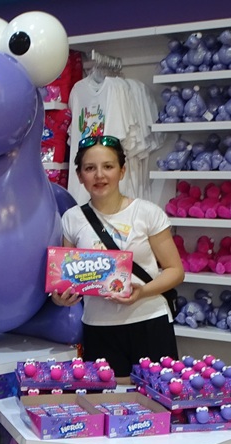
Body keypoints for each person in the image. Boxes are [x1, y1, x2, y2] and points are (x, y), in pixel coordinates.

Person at [51, 135, 183, 377]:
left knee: (156, 394)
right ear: (79, 176)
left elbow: (175, 271)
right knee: (107, 397)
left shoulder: (147, 213)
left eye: (108, 166)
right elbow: (67, 276)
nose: (99, 175)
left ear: (122, 171)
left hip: (149, 321)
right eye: (90, 168)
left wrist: (142, 291)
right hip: (98, 327)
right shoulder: (71, 219)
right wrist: (61, 298)